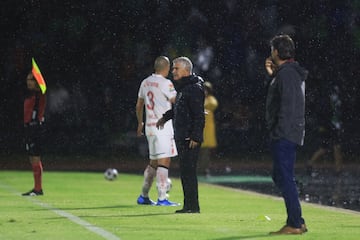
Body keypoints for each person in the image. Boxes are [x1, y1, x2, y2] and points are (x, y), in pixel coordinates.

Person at [264, 35, 308, 234]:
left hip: (285, 132)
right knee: (280, 175)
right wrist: (273, 75)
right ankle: (297, 220)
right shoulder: (286, 73)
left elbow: (288, 105)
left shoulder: (287, 73)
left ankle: (295, 223)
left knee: (284, 176)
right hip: (288, 130)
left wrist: (279, 131)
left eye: (272, 49)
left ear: (276, 51)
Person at [157, 57, 205, 213]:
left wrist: (196, 136)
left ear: (186, 70)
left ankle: (192, 206)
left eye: (176, 68)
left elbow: (199, 115)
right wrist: (165, 117)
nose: (173, 71)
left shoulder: (194, 88)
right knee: (185, 172)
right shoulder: (184, 87)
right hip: (182, 136)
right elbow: (180, 109)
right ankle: (189, 206)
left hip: (189, 138)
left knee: (189, 172)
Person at [136, 56, 180, 206]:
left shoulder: (145, 82)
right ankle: (162, 198)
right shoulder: (166, 83)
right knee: (164, 161)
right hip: (163, 127)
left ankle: (143, 195)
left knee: (153, 162)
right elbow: (176, 101)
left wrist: (140, 123)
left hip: (150, 126)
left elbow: (139, 105)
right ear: (166, 68)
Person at [307, 85, 343, 176]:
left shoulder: (331, 101)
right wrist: (323, 125)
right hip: (330, 126)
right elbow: (324, 114)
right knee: (332, 147)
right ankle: (338, 169)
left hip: (331, 126)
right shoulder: (327, 102)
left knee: (328, 148)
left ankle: (337, 168)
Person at [22, 71, 46, 196]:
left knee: (35, 156)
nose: (28, 82)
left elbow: (42, 88)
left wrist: (37, 76)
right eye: (27, 79)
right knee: (32, 157)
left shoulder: (39, 95)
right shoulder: (30, 95)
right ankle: (37, 187)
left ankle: (38, 189)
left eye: (30, 79)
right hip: (28, 128)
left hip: (35, 128)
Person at [199, 81, 218, 177]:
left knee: (206, 151)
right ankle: (199, 168)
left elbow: (213, 104)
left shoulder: (210, 100)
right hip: (199, 127)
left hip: (208, 128)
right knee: (198, 150)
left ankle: (204, 168)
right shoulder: (199, 99)